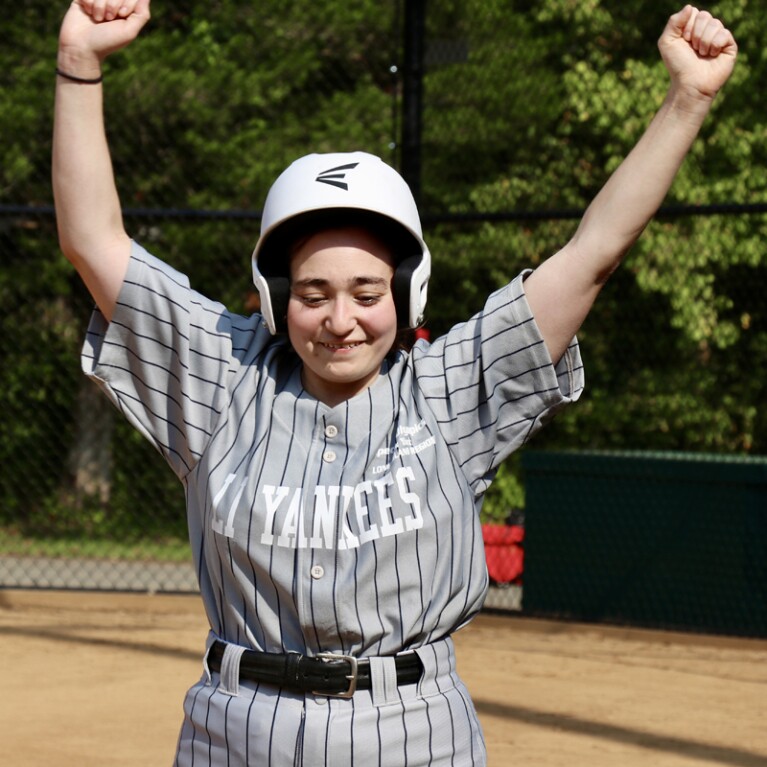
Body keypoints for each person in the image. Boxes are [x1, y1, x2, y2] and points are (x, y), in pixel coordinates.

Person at [52, 2, 737, 765]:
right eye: (313, 293)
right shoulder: (225, 379)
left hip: (410, 732)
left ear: (407, 295)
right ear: (277, 298)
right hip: (237, 731)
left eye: (366, 292)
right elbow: (91, 241)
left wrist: (687, 100)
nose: (340, 319)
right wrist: (79, 60)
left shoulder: (450, 390)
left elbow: (595, 250)